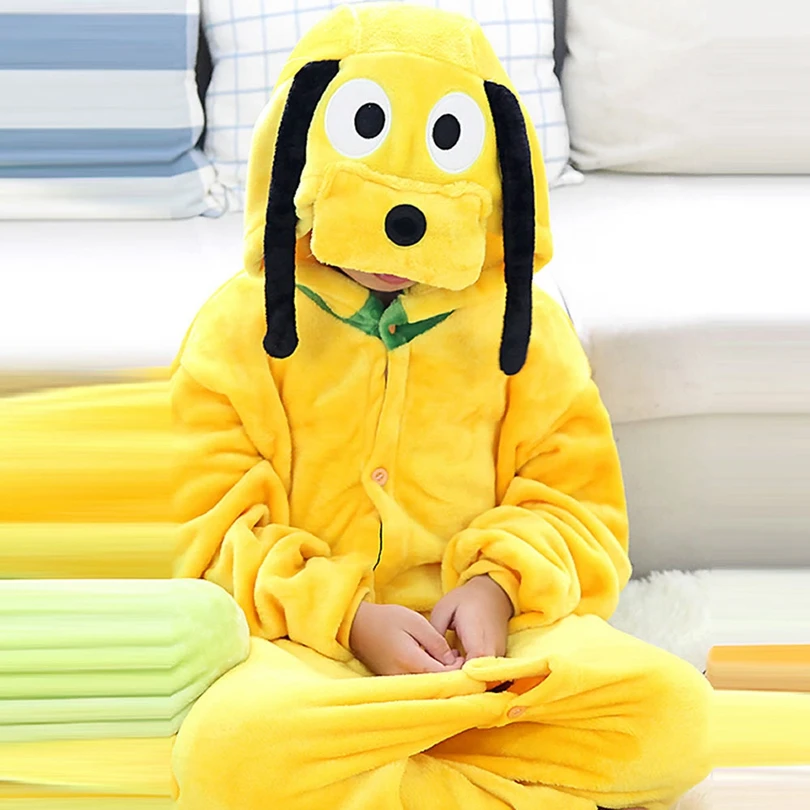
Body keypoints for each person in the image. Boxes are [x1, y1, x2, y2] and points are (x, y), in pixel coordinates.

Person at [169, 6, 714, 809]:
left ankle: (386, 768)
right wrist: (350, 618)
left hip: (500, 650)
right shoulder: (238, 330)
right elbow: (215, 535)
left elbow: (579, 506)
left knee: (678, 720)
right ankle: (473, 765)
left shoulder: (526, 331)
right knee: (226, 753)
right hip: (307, 653)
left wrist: (497, 586)